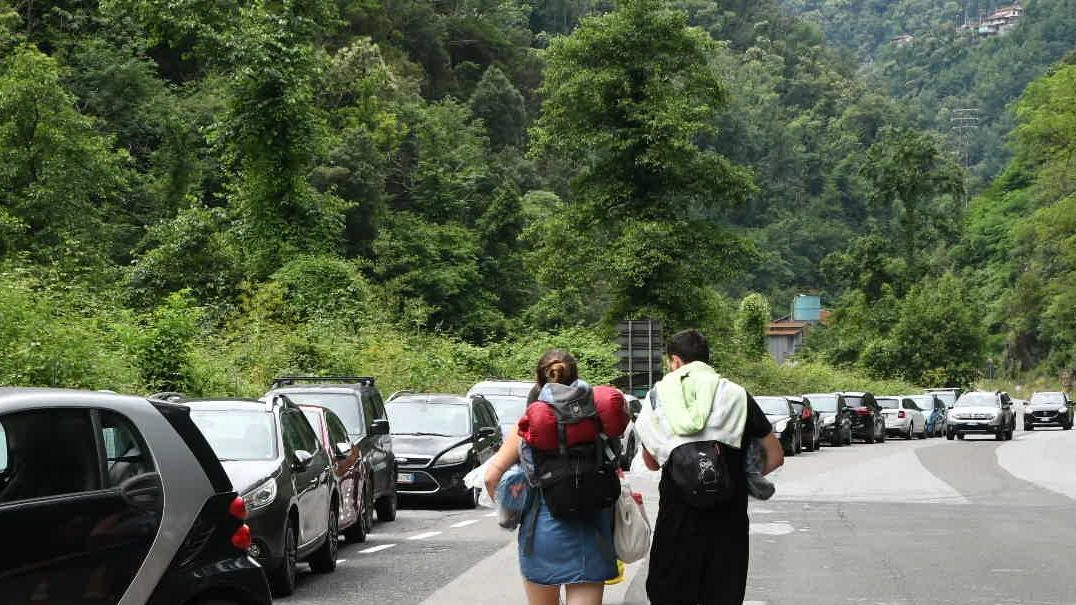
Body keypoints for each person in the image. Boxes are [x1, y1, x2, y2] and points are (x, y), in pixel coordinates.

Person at [635, 329, 784, 605]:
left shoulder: (658, 397)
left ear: (676, 361)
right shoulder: (737, 395)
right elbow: (774, 456)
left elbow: (651, 463)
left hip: (677, 520)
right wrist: (734, 475)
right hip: (728, 521)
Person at [484, 349, 619, 605]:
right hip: (592, 530)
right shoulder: (597, 420)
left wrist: (509, 512)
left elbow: (492, 477)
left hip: (542, 530)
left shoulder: (528, 425)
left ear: (539, 381)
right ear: (576, 378)